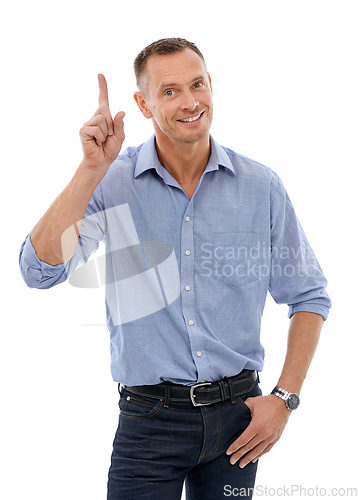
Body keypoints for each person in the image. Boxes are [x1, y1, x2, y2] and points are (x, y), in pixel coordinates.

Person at [19, 38, 331, 499]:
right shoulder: (112, 182)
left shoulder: (260, 186)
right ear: (143, 105)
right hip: (149, 423)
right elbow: (39, 270)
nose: (190, 102)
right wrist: (89, 171)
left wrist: (284, 399)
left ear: (211, 86)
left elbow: (309, 296)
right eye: (169, 92)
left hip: (238, 423)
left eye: (197, 85)